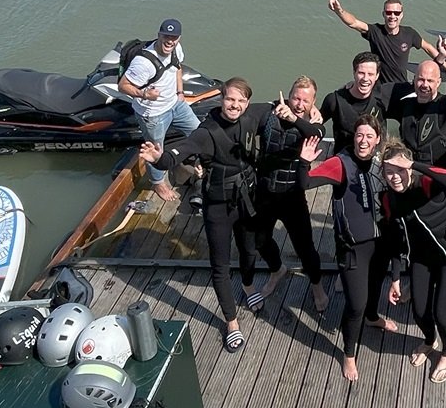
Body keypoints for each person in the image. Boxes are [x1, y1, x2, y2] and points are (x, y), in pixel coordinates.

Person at [141, 77, 280, 353]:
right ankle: (231, 322)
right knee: (221, 265)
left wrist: (295, 111)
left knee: (248, 249)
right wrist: (160, 158)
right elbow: (179, 152)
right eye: (230, 99)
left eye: (241, 100)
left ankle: (249, 287)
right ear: (221, 99)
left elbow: (275, 106)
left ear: (247, 102)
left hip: (247, 197)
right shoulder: (207, 131)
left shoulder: (253, 113)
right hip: (218, 204)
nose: (235, 105)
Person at [297, 116, 399, 383]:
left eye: (369, 136)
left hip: (380, 244)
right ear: (353, 138)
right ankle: (349, 353)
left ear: (378, 140)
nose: (363, 141)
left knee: (375, 287)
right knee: (355, 304)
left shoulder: (382, 164)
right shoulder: (341, 164)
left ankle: (373, 317)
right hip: (352, 248)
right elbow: (305, 183)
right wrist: (305, 160)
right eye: (359, 135)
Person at [380, 139, 446, 383]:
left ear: (409, 169)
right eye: (389, 172)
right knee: (419, 311)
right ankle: (430, 341)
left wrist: (415, 164)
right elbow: (395, 240)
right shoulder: (388, 200)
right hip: (422, 258)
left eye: (400, 170)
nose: (394, 177)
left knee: (442, 313)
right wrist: (396, 277)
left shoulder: (427, 184)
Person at [253, 76, 330, 314]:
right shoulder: (268, 113)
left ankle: (317, 285)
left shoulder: (313, 124)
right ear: (288, 95)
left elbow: (316, 131)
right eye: (296, 97)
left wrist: (294, 118)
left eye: (305, 100)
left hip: (292, 196)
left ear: (313, 102)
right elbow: (242, 113)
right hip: (264, 192)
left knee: (305, 247)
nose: (299, 103)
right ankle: (277, 269)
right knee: (260, 241)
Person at [118, 19, 200, 202]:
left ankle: (202, 163)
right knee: (156, 149)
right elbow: (123, 86)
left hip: (175, 104)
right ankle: (157, 183)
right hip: (153, 113)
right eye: (166, 36)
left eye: (174, 37)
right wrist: (145, 94)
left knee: (199, 131)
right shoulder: (143, 62)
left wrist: (180, 92)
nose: (170, 41)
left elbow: (177, 67)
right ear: (159, 35)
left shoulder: (176, 49)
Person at [386, 31, 446, 170]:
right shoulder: (405, 106)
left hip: (438, 177)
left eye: (430, 81)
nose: (425, 85)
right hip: (410, 174)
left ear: (438, 82)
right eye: (421, 80)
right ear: (414, 81)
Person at [326, 0, 443, 86]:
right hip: (379, 88)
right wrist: (339, 10)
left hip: (401, 86)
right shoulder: (375, 31)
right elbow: (353, 23)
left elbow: (428, 47)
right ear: (383, 14)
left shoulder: (409, 33)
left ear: (401, 15)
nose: (392, 16)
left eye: (396, 13)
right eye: (389, 13)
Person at [320, 52, 389, 157]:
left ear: (377, 76)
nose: (365, 78)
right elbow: (316, 125)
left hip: (370, 163)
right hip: (342, 160)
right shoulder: (334, 100)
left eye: (370, 74)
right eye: (361, 73)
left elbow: (383, 138)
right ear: (354, 72)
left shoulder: (381, 102)